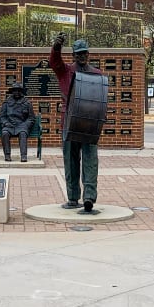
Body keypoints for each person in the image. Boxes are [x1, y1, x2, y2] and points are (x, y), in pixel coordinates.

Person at [50, 32, 104, 212]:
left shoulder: (97, 73)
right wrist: (57, 47)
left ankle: (89, 196)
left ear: (89, 54)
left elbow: (100, 96)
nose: (82, 56)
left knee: (90, 161)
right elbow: (54, 62)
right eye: (78, 53)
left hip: (90, 123)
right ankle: (73, 197)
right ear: (73, 55)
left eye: (85, 53)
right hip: (70, 121)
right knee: (70, 161)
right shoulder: (65, 71)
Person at [0, 82, 35, 162]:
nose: (17, 92)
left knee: (23, 133)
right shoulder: (6, 103)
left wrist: (25, 125)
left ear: (21, 92)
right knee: (5, 133)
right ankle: (7, 155)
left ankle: (23, 156)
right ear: (12, 92)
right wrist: (5, 123)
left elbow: (31, 118)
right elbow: (2, 117)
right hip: (9, 125)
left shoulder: (27, 103)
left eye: (19, 91)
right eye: (15, 91)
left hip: (21, 125)